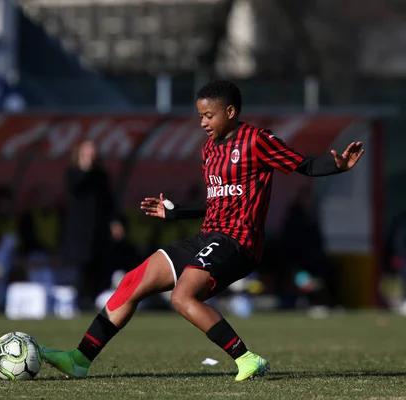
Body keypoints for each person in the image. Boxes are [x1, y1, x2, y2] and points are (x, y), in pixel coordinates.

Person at [40, 80, 364, 381]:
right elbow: (217, 200)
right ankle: (81, 359)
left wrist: (336, 165)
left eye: (209, 115)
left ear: (230, 112)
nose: (203, 123)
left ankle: (247, 358)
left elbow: (303, 164)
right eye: (200, 116)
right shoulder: (209, 150)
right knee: (133, 280)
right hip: (208, 236)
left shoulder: (256, 140)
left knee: (182, 297)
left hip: (238, 241)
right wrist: (178, 212)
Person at [62, 140, 124, 310]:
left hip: (98, 228)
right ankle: (80, 300)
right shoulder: (73, 173)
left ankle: (97, 299)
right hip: (79, 229)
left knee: (100, 265)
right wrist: (86, 167)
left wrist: (115, 221)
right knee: (82, 266)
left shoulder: (101, 175)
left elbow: (109, 201)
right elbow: (76, 187)